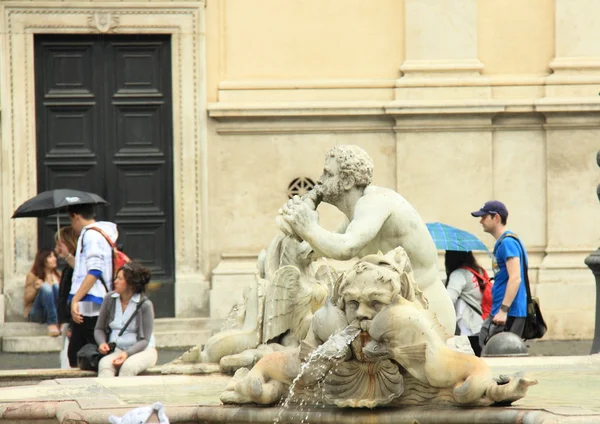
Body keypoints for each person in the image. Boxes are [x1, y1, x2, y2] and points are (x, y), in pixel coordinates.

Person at [279, 145, 456, 335]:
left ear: (347, 181)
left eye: (328, 174)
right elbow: (316, 250)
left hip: (428, 314)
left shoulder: (375, 202)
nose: (320, 181)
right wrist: (298, 229)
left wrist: (309, 227)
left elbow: (345, 248)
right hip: (391, 313)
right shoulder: (355, 217)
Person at [63, 203, 118, 368]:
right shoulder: (99, 234)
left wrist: (75, 300)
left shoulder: (91, 236)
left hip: (90, 303)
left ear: (76, 216)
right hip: (92, 302)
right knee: (80, 352)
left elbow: (94, 271)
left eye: (71, 220)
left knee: (86, 353)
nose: (72, 225)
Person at [471, 200, 528, 348]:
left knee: (496, 353)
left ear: (496, 217)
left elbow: (515, 278)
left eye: (484, 217)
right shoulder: (507, 241)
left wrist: (503, 310)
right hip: (506, 311)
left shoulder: (507, 243)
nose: (481, 221)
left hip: (508, 313)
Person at [94, 261, 157, 377]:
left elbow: (145, 340)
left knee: (128, 367)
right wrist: (102, 343)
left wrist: (127, 354)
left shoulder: (145, 305)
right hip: (117, 350)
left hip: (143, 351)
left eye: (120, 279)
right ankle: (105, 395)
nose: (115, 281)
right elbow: (99, 328)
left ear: (130, 284)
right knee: (104, 365)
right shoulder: (109, 299)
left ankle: (124, 395)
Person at [444, 250, 491, 337]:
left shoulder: (458, 274)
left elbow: (448, 300)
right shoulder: (478, 271)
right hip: (482, 322)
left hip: (468, 325)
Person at [55, 225, 79, 368]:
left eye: (60, 245)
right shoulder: (67, 268)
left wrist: (70, 324)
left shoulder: (75, 270)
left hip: (72, 321)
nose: (57, 250)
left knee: (69, 360)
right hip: (66, 320)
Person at [23, 249, 61, 336]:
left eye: (54, 256)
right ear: (43, 260)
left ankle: (59, 321)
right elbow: (26, 301)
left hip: (55, 311)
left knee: (56, 286)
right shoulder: (32, 275)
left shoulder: (58, 275)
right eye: (50, 257)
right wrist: (36, 289)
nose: (54, 259)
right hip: (37, 312)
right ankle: (52, 323)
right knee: (45, 287)